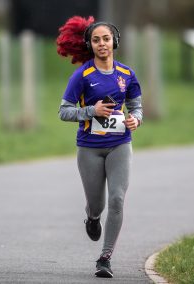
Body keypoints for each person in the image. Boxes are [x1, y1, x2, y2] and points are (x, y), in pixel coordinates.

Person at [56, 15, 143, 278]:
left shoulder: (127, 74)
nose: (102, 44)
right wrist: (91, 111)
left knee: (117, 199)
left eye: (106, 39)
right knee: (98, 205)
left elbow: (137, 107)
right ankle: (92, 218)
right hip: (89, 148)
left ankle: (105, 258)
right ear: (90, 44)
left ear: (114, 41)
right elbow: (64, 112)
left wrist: (135, 119)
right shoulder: (82, 75)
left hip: (119, 145)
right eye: (96, 40)